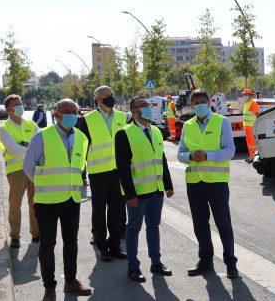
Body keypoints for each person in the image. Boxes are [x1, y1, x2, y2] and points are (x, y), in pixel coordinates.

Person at [23, 98, 92, 298]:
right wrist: (44, 184)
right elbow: (28, 166)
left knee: (71, 242)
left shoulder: (81, 137)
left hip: (72, 199)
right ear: (56, 115)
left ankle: (71, 282)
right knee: (47, 244)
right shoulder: (42, 136)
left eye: (74, 111)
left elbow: (79, 166)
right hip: (47, 202)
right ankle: (49, 286)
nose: (72, 114)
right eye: (67, 111)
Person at [178, 89, 239, 279]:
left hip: (216, 183)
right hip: (195, 183)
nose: (200, 105)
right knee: (200, 224)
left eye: (203, 101)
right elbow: (180, 153)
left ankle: (230, 263)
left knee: (223, 224)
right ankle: (205, 261)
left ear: (209, 102)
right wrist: (189, 156)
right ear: (192, 105)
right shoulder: (187, 125)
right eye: (196, 103)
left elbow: (230, 151)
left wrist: (208, 156)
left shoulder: (222, 122)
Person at [114, 96, 174, 282]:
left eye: (148, 105)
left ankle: (156, 263)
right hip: (137, 195)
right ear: (134, 111)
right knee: (133, 229)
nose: (148, 108)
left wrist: (168, 184)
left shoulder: (155, 131)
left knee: (153, 227)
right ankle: (133, 267)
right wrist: (129, 194)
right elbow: (122, 168)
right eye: (143, 106)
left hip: (156, 191)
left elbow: (161, 159)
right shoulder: (124, 133)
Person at [75, 86, 127, 262]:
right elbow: (79, 149)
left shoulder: (122, 117)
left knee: (116, 209)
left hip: (118, 172)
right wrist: (80, 174)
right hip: (98, 173)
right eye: (107, 96)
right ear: (98, 100)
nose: (111, 98)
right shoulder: (86, 120)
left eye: (112, 94)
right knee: (99, 211)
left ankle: (115, 245)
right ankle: (101, 245)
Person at [0, 95, 40, 248]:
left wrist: (25, 147)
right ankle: (15, 236)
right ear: (9, 109)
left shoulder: (31, 124)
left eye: (20, 103)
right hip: (16, 171)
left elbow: (40, 144)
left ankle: (36, 233)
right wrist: (29, 147)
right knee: (15, 204)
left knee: (35, 203)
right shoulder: (3, 129)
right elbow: (13, 148)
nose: (20, 106)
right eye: (16, 104)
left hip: (34, 169)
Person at [242, 88, 259, 163]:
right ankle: (251, 156)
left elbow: (257, 115)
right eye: (244, 94)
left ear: (250, 95)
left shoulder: (253, 103)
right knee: (249, 143)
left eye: (246, 94)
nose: (244, 96)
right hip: (247, 126)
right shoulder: (247, 103)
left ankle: (255, 157)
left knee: (253, 143)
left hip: (252, 126)